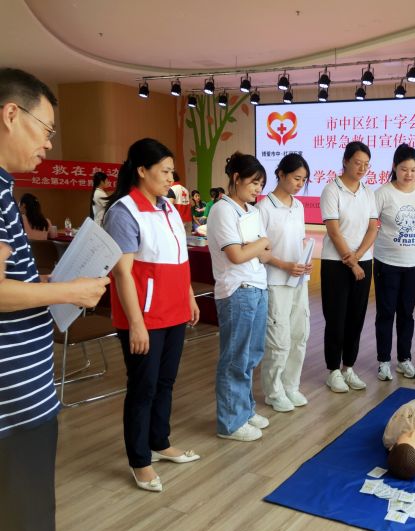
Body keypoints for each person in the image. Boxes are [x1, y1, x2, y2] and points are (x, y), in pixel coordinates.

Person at [0, 67, 108, 531]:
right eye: (45, 129)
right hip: (14, 405)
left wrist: (46, 285)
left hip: (21, 395)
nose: (47, 145)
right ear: (10, 115)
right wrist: (68, 290)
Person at [103, 138, 201, 493]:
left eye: (172, 171)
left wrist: (189, 296)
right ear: (142, 171)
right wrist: (136, 324)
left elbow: (179, 259)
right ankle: (139, 460)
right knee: (142, 388)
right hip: (144, 317)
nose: (171, 178)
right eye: (165, 171)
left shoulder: (168, 207)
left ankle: (160, 442)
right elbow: (123, 274)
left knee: (165, 382)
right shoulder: (124, 211)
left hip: (174, 310)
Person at [207, 152, 272, 442]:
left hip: (258, 286)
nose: (258, 189)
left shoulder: (252, 211)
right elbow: (236, 255)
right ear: (236, 178)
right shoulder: (223, 210)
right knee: (235, 357)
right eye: (254, 182)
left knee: (252, 354)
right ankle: (230, 422)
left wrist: (254, 246)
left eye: (261, 184)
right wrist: (259, 243)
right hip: (237, 289)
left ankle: (244, 409)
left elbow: (265, 253)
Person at [374, 144, 415, 381]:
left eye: (413, 169)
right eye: (404, 169)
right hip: (387, 262)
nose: (409, 174)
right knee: (386, 313)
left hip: (414, 264)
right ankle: (383, 361)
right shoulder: (383, 193)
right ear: (394, 167)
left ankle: (404, 359)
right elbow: (370, 222)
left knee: (406, 313)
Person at [319, 141, 378, 393]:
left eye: (366, 164)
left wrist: (359, 256)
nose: (362, 168)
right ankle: (333, 370)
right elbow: (334, 231)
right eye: (357, 163)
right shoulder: (331, 190)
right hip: (336, 263)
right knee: (336, 318)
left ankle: (348, 368)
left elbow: (373, 227)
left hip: (363, 261)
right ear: (345, 161)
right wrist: (351, 261)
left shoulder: (368, 192)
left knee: (356, 317)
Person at [257, 154, 313, 412]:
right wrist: (285, 265)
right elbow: (261, 251)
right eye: (296, 178)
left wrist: (304, 261)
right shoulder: (264, 208)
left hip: (299, 280)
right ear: (280, 174)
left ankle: (291, 385)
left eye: (303, 180)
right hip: (275, 282)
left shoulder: (298, 206)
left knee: (300, 335)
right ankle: (274, 391)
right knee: (278, 340)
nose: (299, 184)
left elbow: (299, 240)